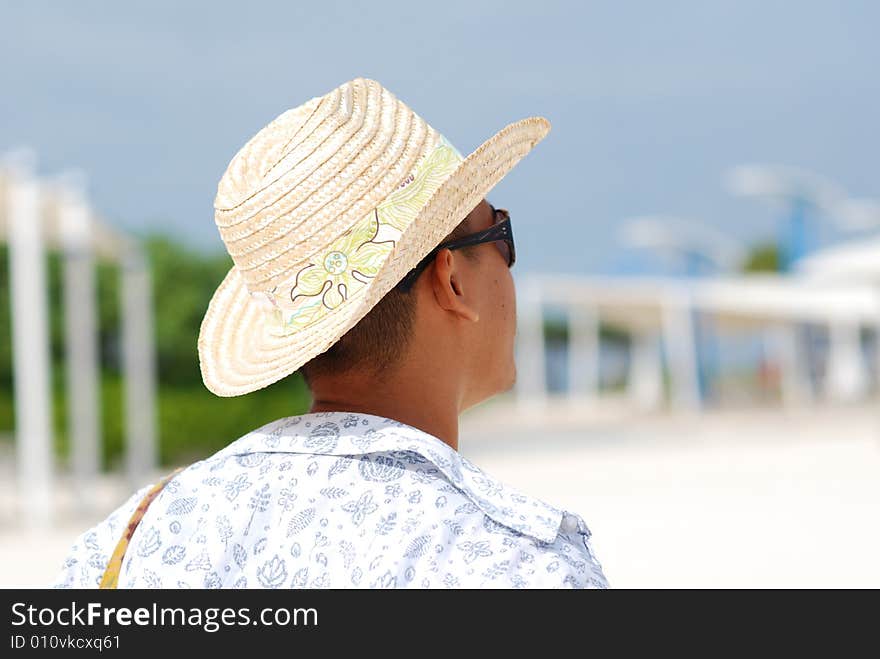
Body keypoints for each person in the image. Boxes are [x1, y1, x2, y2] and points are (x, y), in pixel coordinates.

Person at [50, 77, 609, 589]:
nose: (510, 265)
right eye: (500, 233)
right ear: (452, 278)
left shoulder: (131, 539)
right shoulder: (516, 563)